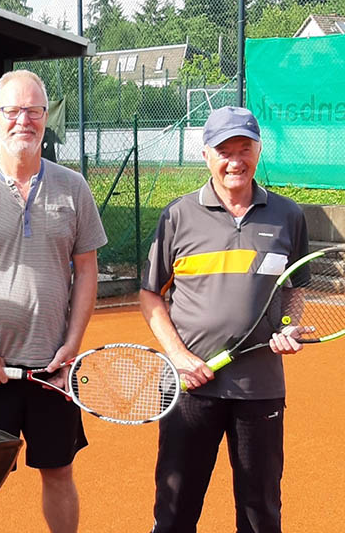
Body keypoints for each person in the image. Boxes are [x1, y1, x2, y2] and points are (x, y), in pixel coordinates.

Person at [0, 70, 106, 533]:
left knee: (59, 472)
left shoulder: (74, 188)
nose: (23, 120)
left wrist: (72, 345)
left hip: (55, 371)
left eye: (33, 110)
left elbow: (86, 269)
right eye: (13, 110)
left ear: (46, 118)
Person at [140, 106, 308, 533]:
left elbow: (294, 288)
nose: (236, 160)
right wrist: (178, 357)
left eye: (245, 148)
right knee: (175, 510)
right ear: (206, 156)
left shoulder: (289, 216)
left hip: (260, 389)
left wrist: (289, 326)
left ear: (258, 150)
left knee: (260, 513)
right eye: (225, 150)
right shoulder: (177, 216)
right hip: (190, 390)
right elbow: (150, 296)